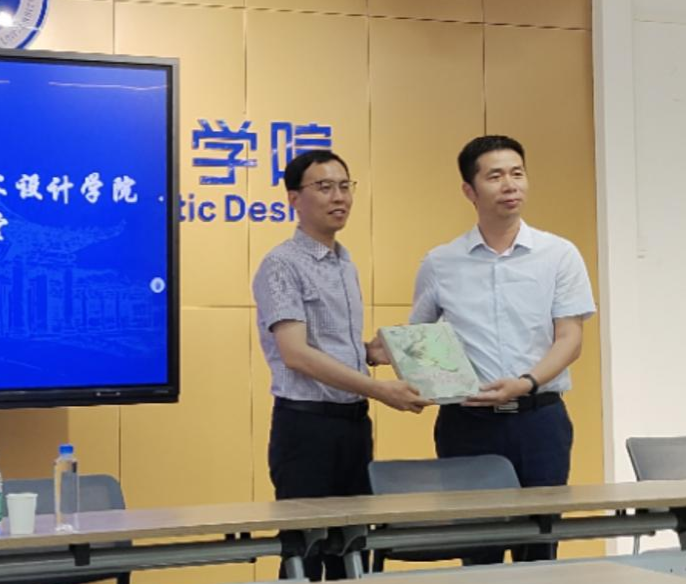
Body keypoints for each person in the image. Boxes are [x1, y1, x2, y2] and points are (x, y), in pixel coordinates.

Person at [408, 135, 596, 563]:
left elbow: (570, 339)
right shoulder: (440, 262)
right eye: (495, 176)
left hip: (539, 419)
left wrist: (526, 383)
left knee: (540, 548)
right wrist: (406, 364)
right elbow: (419, 339)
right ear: (469, 191)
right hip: (467, 423)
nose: (510, 185)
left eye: (517, 173)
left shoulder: (559, 254)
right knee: (478, 549)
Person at [253, 149, 431, 580]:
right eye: (325, 187)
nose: (339, 197)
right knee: (306, 553)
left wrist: (372, 352)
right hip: (306, 428)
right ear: (294, 199)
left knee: (351, 550)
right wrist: (379, 388)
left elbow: (330, 346)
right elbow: (296, 354)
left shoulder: (344, 262)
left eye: (345, 186)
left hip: (352, 425)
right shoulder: (281, 264)